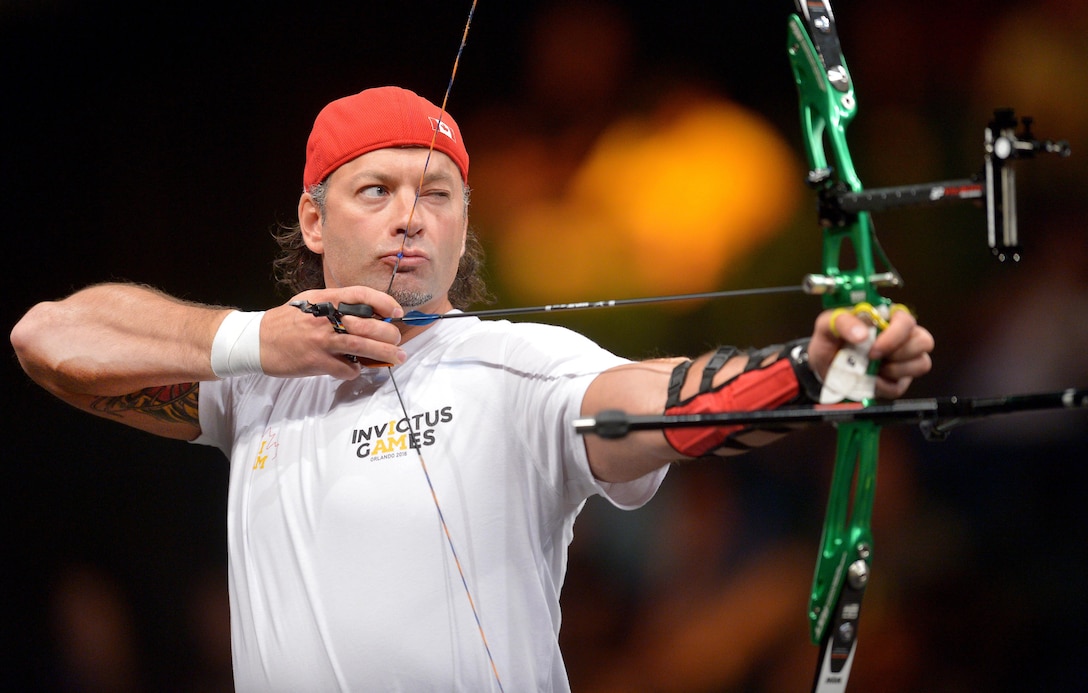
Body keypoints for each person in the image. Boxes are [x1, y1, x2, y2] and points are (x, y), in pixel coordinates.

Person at [10, 85, 934, 692]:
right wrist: (257, 340)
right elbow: (47, 338)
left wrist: (815, 368)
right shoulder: (254, 386)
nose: (412, 215)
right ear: (313, 217)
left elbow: (654, 400)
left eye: (440, 193)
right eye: (375, 190)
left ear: (464, 224)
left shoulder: (517, 367)